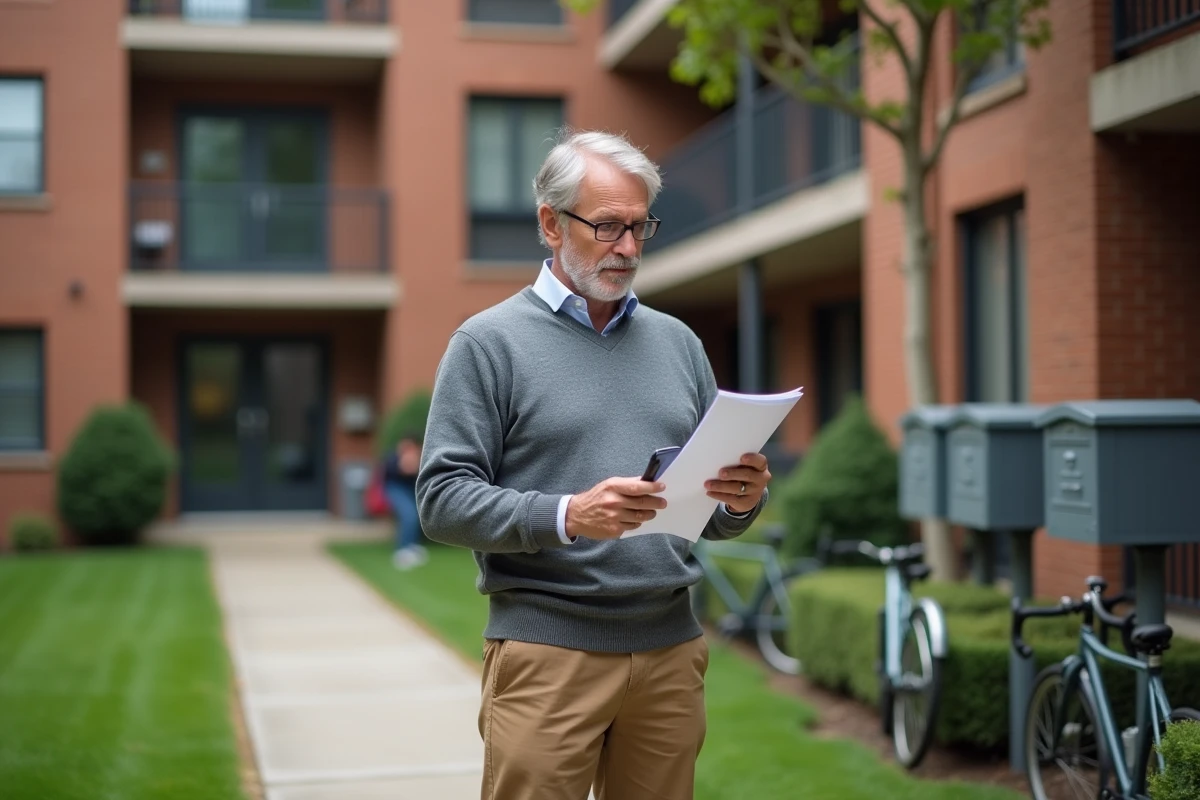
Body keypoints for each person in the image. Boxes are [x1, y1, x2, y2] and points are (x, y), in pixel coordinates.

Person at [416, 129, 773, 800]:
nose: (629, 249)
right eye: (608, 227)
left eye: (640, 227)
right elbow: (440, 499)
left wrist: (738, 500)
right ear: (551, 223)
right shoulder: (488, 344)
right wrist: (569, 515)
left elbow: (707, 519)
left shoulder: (679, 344)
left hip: (670, 652)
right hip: (549, 654)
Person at [383, 434, 426, 569]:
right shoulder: (393, 458)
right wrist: (404, 467)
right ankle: (402, 551)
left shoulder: (420, 457)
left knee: (418, 516)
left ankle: (411, 546)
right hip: (395, 487)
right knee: (409, 515)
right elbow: (389, 472)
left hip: (411, 489)